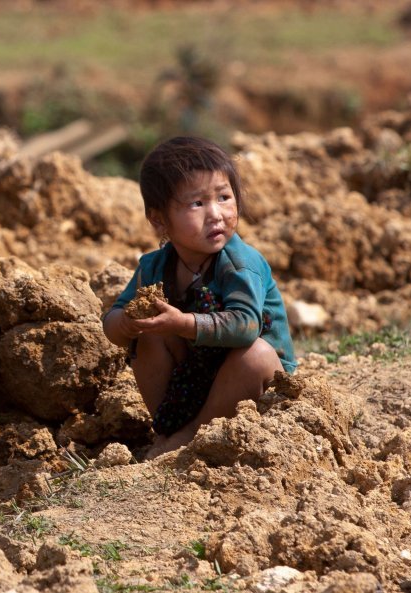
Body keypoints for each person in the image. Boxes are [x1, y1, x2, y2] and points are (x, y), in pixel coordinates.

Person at [102, 136, 296, 459]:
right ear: (159, 219)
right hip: (192, 384)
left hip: (250, 385)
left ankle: (188, 438)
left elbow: (246, 325)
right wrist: (126, 322)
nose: (216, 214)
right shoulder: (154, 267)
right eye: (197, 204)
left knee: (256, 355)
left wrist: (183, 323)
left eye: (223, 197)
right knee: (149, 334)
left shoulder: (239, 263)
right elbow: (111, 323)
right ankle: (169, 431)